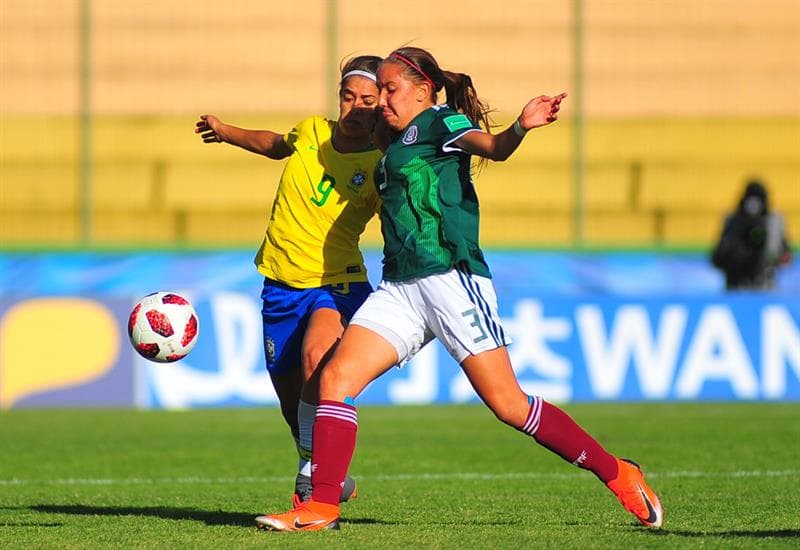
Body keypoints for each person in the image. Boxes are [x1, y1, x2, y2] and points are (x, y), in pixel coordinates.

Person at [256, 46, 664, 532]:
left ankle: (617, 472)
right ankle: (321, 507)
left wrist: (519, 127)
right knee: (334, 380)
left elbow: (491, 147)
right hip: (400, 288)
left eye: (391, 90)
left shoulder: (438, 123)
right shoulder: (393, 138)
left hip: (451, 281)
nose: (381, 100)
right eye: (378, 90)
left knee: (510, 406)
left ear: (424, 90)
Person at [194, 55, 384, 506]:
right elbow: (274, 143)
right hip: (280, 284)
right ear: (339, 96)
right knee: (291, 396)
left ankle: (310, 484)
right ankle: (323, 468)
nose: (356, 107)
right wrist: (225, 132)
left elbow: (399, 219)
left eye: (368, 100)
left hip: (337, 282)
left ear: (380, 106)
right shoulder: (312, 131)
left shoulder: (381, 163)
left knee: (318, 360)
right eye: (349, 96)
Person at [711, 179, 792, 290]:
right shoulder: (733, 221)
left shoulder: (773, 224)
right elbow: (717, 258)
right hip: (736, 286)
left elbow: (786, 257)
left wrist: (773, 257)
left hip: (764, 286)